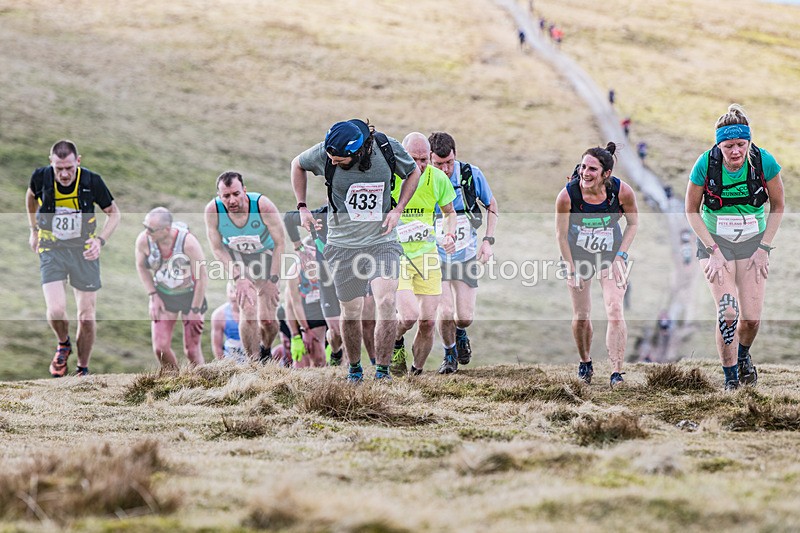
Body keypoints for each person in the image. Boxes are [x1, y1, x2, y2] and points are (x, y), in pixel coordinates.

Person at [291, 119, 421, 382]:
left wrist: (398, 210)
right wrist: (302, 207)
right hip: (342, 245)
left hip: (382, 239)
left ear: (357, 151)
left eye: (339, 161)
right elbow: (297, 164)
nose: (333, 162)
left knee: (385, 301)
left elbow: (413, 172)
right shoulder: (325, 153)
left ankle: (382, 372)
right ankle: (354, 370)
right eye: (331, 159)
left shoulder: (387, 148)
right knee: (351, 311)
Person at [684, 104, 784, 391]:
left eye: (741, 144)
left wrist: (764, 247)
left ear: (749, 142)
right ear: (719, 144)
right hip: (716, 242)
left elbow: (778, 205)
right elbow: (691, 210)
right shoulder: (706, 164)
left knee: (751, 319)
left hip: (753, 243)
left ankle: (742, 357)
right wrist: (713, 250)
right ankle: (730, 381)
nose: (736, 151)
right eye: (729, 146)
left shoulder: (764, 162)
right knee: (729, 312)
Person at [25, 140, 121, 377]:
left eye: (69, 168)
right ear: (51, 164)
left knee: (87, 317)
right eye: (59, 169)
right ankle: (63, 343)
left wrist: (100, 242)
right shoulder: (41, 178)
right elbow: (29, 196)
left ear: (78, 161)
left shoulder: (92, 181)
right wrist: (33, 230)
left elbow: (114, 214)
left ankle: (82, 369)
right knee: (56, 309)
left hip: (84, 251)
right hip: (52, 249)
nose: (65, 174)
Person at [555, 142, 639, 387]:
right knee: (582, 315)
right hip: (577, 256)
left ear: (606, 174)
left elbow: (633, 224)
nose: (585, 173)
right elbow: (560, 235)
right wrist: (570, 268)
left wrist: (621, 257)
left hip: (609, 255)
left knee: (614, 309)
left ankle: (616, 372)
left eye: (592, 169)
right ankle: (585, 362)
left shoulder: (621, 192)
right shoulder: (567, 196)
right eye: (583, 167)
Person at [429, 132, 498, 374]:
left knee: (464, 317)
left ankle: (460, 334)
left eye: (449, 162)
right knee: (445, 310)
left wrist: (488, 241)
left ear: (455, 155)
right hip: (435, 257)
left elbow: (491, 205)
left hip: (465, 255)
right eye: (439, 164)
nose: (445, 169)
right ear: (429, 159)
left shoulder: (470, 175)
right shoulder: (423, 180)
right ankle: (449, 356)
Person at [390, 133, 457, 377]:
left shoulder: (437, 178)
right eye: (412, 159)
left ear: (429, 157)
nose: (418, 165)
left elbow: (450, 212)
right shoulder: (391, 176)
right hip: (397, 255)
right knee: (408, 316)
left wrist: (450, 236)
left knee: (428, 322)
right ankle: (396, 339)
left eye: (423, 160)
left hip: (427, 256)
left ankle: (415, 373)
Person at [204, 171, 286, 363]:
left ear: (244, 191)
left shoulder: (262, 206)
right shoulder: (213, 211)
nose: (232, 200)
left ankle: (266, 348)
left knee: (267, 320)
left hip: (265, 259)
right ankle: (253, 364)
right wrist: (238, 276)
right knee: (248, 311)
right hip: (239, 260)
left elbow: (280, 243)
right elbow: (217, 248)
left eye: (236, 194)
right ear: (219, 196)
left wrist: (273, 280)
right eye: (226, 196)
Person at [135, 207, 207, 370]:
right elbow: (141, 266)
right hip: (164, 295)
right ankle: (174, 383)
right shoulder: (144, 241)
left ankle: (203, 387)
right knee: (160, 348)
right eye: (144, 226)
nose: (146, 232)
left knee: (192, 351)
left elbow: (202, 276)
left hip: (191, 296)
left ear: (166, 230)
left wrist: (195, 310)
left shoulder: (188, 243)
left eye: (150, 229)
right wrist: (153, 296)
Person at [285, 237, 328, 367]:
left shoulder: (328, 266)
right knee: (306, 360)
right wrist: (298, 334)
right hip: (305, 311)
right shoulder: (294, 272)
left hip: (327, 308)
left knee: (331, 359)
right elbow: (292, 306)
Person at [210, 281, 248, 363]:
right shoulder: (219, 315)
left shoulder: (257, 312)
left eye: (236, 292)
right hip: (231, 360)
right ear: (227, 293)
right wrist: (224, 366)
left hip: (254, 360)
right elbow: (217, 346)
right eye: (231, 291)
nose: (233, 296)